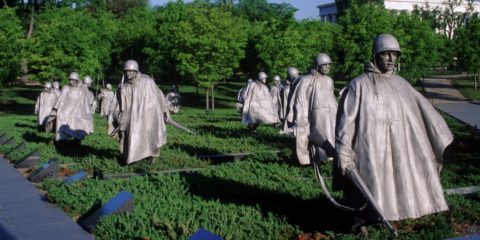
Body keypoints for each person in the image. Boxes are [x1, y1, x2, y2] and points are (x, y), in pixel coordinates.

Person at [335, 34, 453, 225]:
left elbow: (423, 113)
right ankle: (362, 219)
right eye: (386, 54)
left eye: (395, 54)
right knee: (370, 185)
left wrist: (437, 133)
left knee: (399, 180)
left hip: (399, 144)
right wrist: (343, 149)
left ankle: (398, 212)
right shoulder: (359, 85)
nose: (391, 59)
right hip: (370, 146)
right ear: (375, 56)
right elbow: (345, 122)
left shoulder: (402, 84)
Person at [110, 60, 169, 164]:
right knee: (129, 135)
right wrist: (117, 115)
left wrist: (164, 110)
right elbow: (117, 103)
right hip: (130, 116)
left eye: (131, 71)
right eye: (126, 71)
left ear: (136, 72)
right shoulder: (123, 86)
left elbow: (158, 95)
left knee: (151, 135)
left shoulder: (147, 82)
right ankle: (131, 157)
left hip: (147, 114)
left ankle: (152, 156)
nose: (128, 74)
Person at [292, 53, 337, 165]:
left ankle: (329, 158)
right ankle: (315, 159)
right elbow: (300, 100)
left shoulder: (329, 81)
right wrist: (301, 117)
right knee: (316, 136)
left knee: (330, 136)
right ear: (317, 65)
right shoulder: (306, 80)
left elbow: (331, 97)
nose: (327, 67)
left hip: (330, 115)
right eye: (324, 65)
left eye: (329, 65)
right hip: (315, 115)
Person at [49, 72, 94, 142]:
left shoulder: (82, 90)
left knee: (77, 125)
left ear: (77, 80)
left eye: (73, 80)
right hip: (65, 112)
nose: (71, 82)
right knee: (62, 124)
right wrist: (55, 109)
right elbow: (60, 99)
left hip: (77, 113)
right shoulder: (66, 88)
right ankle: (61, 141)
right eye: (70, 80)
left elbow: (85, 103)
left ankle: (76, 141)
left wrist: (87, 112)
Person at [281, 67, 300, 133]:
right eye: (295, 75)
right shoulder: (286, 87)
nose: (296, 76)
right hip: (290, 106)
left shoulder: (298, 82)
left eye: (297, 74)